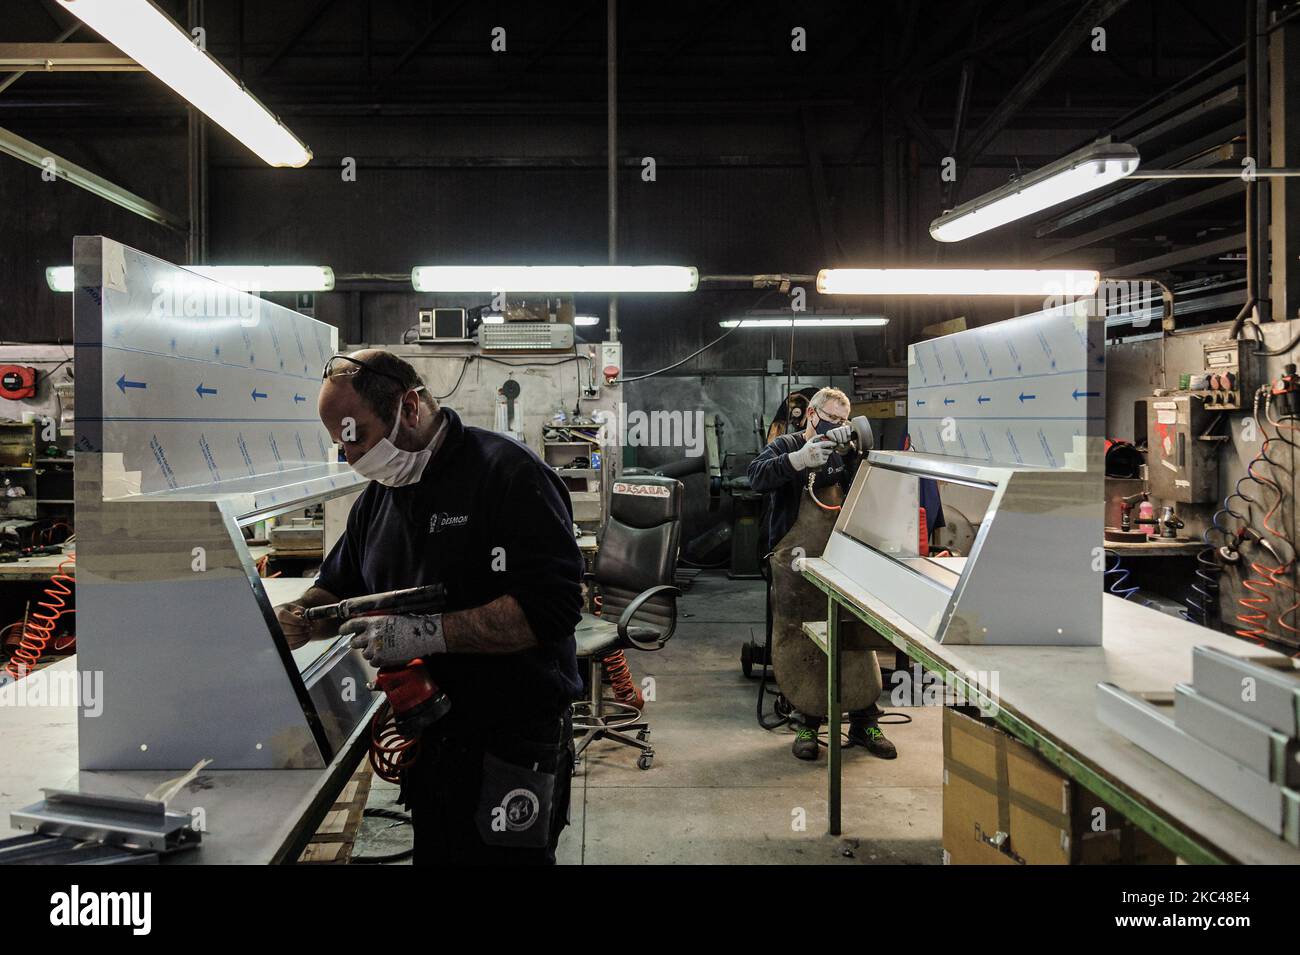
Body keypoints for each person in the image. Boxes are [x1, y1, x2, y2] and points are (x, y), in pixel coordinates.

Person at [274, 349, 583, 865]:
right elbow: (339, 582)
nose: (348, 456)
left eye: (356, 435)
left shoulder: (507, 474)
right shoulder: (381, 496)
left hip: (510, 732)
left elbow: (551, 609)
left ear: (410, 407)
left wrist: (425, 633)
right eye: (339, 443)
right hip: (431, 733)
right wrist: (304, 615)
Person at [748, 386, 897, 762]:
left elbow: (866, 497)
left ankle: (865, 721)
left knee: (855, 636)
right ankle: (807, 723)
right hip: (797, 565)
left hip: (839, 560)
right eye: (832, 420)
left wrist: (857, 457)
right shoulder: (785, 447)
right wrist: (798, 461)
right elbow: (756, 477)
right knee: (806, 643)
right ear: (813, 416)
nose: (838, 428)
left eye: (844, 421)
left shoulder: (847, 452)